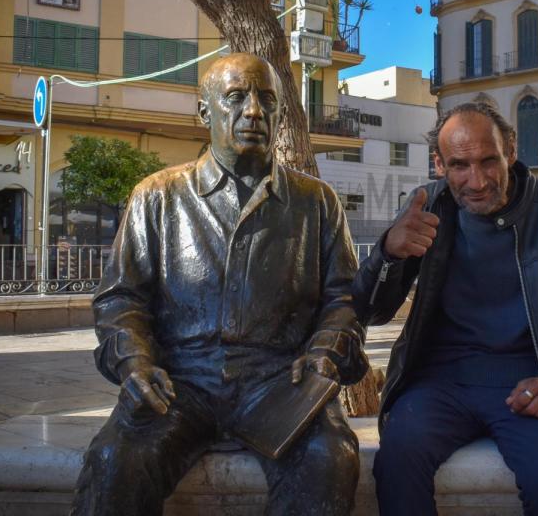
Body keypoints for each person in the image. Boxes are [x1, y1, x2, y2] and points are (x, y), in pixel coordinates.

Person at [70, 54, 367, 516]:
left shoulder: (316, 202)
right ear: (206, 112)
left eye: (267, 100)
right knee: (116, 460)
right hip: (181, 382)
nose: (253, 111)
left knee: (328, 457)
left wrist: (325, 351)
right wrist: (135, 361)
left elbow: (343, 298)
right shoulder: (157, 195)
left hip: (280, 383)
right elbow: (121, 298)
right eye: (236, 98)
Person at [352, 103, 538, 516]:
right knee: (397, 464)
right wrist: (388, 254)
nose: (476, 181)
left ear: (510, 151)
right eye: (459, 165)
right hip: (439, 385)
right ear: (439, 164)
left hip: (534, 381)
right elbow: (370, 312)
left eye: (488, 161)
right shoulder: (426, 208)